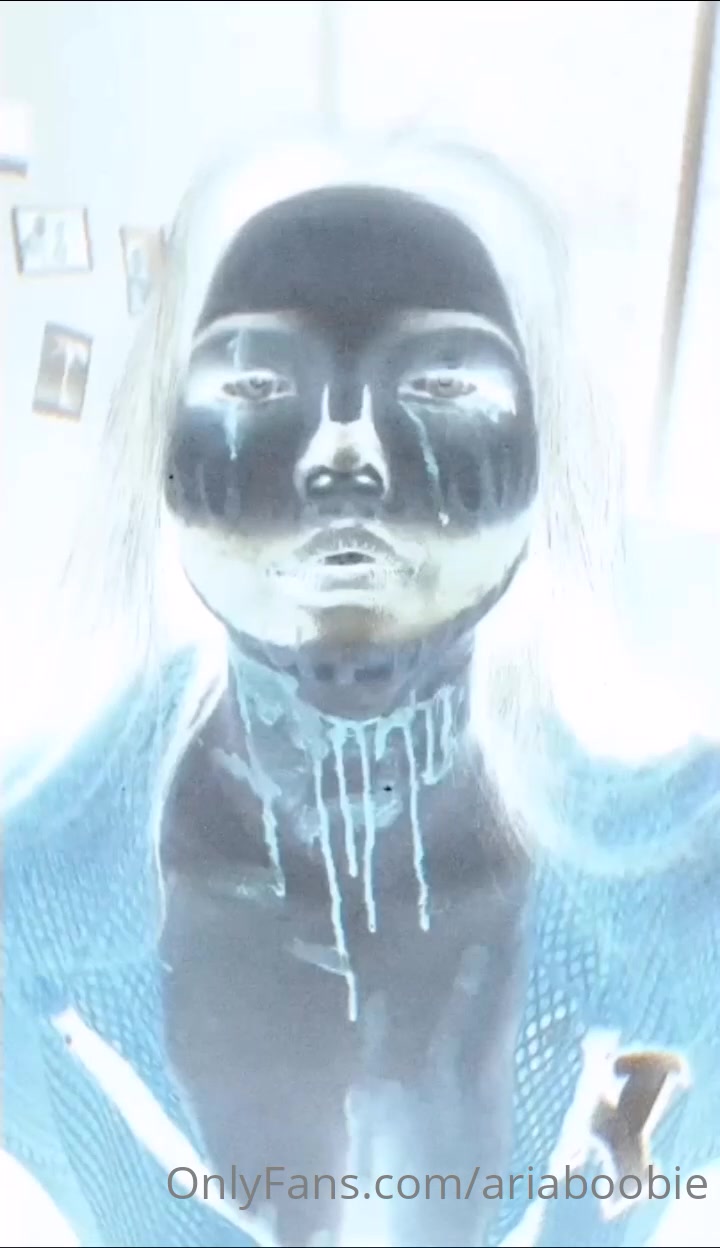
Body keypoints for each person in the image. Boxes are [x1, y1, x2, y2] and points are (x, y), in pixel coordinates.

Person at [3, 129, 719, 1248]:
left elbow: (646, 1182)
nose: (347, 456)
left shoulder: (692, 902)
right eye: (255, 383)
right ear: (165, 454)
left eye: (441, 384)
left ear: (546, 452)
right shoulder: (23, 904)